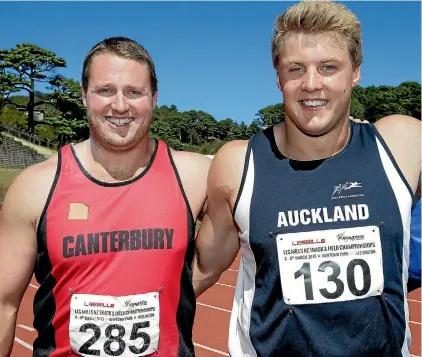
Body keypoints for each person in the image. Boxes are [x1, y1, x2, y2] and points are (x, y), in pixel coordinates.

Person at [193, 2, 421, 357]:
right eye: (295, 69)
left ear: (355, 72)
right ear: (278, 77)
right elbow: (204, 267)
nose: (311, 84)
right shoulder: (237, 164)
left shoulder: (403, 144)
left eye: (329, 67)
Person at [0, 37, 210, 357]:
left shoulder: (195, 177)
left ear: (154, 98)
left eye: (134, 92)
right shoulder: (35, 188)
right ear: (84, 95)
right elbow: (3, 305)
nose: (121, 105)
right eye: (106, 90)